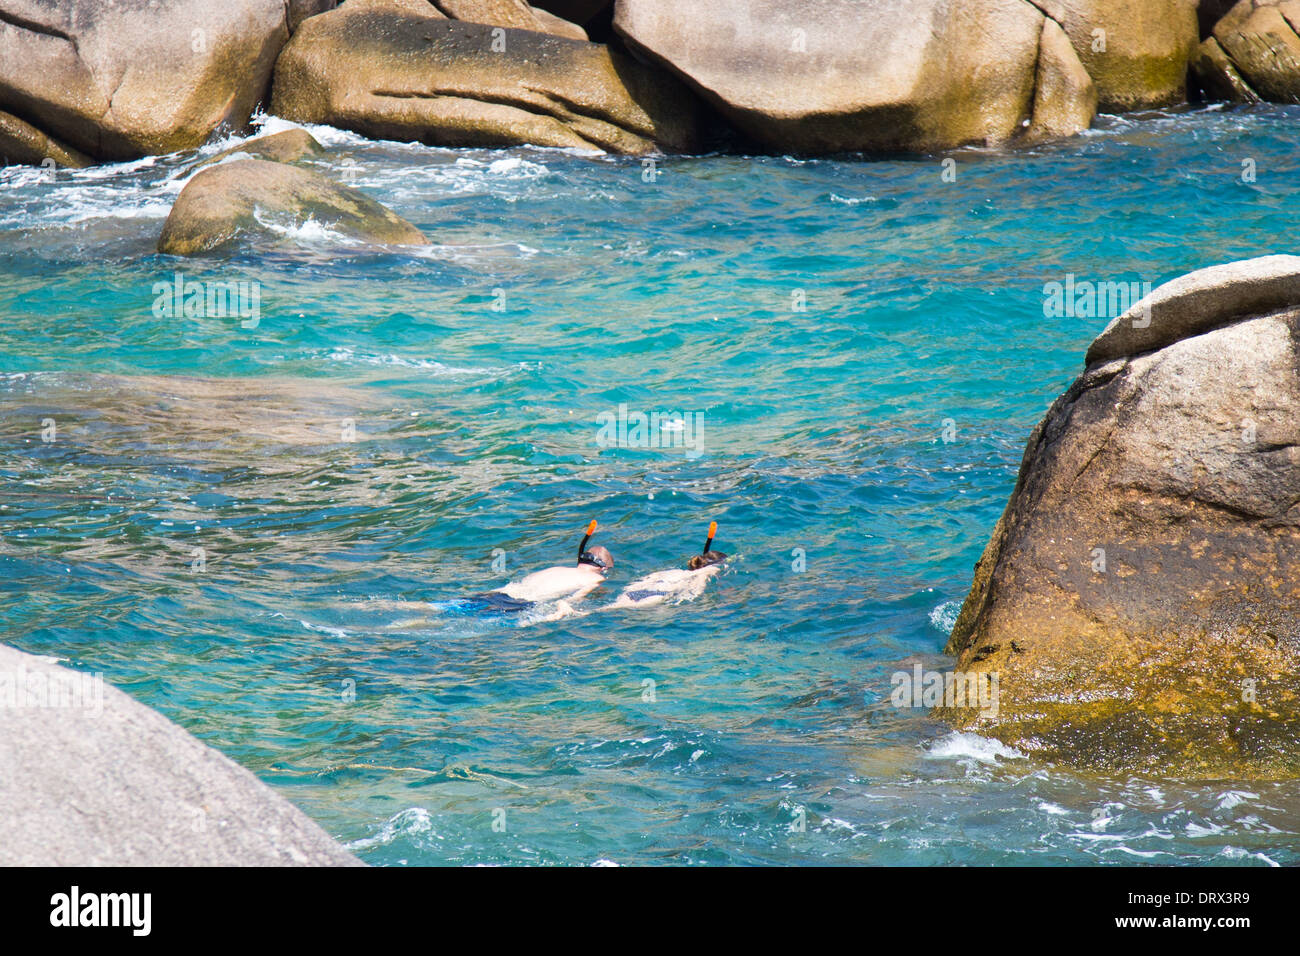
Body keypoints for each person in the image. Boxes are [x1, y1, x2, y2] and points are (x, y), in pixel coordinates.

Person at [485, 519, 614, 606]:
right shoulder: (595, 578)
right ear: (603, 568)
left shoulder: (556, 569)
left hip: (499, 593)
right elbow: (575, 599)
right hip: (520, 603)